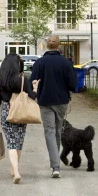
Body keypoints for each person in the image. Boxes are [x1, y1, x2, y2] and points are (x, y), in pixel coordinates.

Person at [30, 35, 77, 178]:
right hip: (61, 101)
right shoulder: (66, 63)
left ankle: (55, 166)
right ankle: (55, 164)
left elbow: (33, 82)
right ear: (58, 46)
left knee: (49, 132)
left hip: (44, 101)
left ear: (47, 45)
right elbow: (72, 84)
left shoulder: (39, 63)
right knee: (57, 131)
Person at [0, 53, 40, 184]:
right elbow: (32, 97)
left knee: (11, 143)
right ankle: (15, 170)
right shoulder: (23, 80)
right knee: (18, 143)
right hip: (20, 113)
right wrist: (35, 87)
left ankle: (15, 171)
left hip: (6, 113)